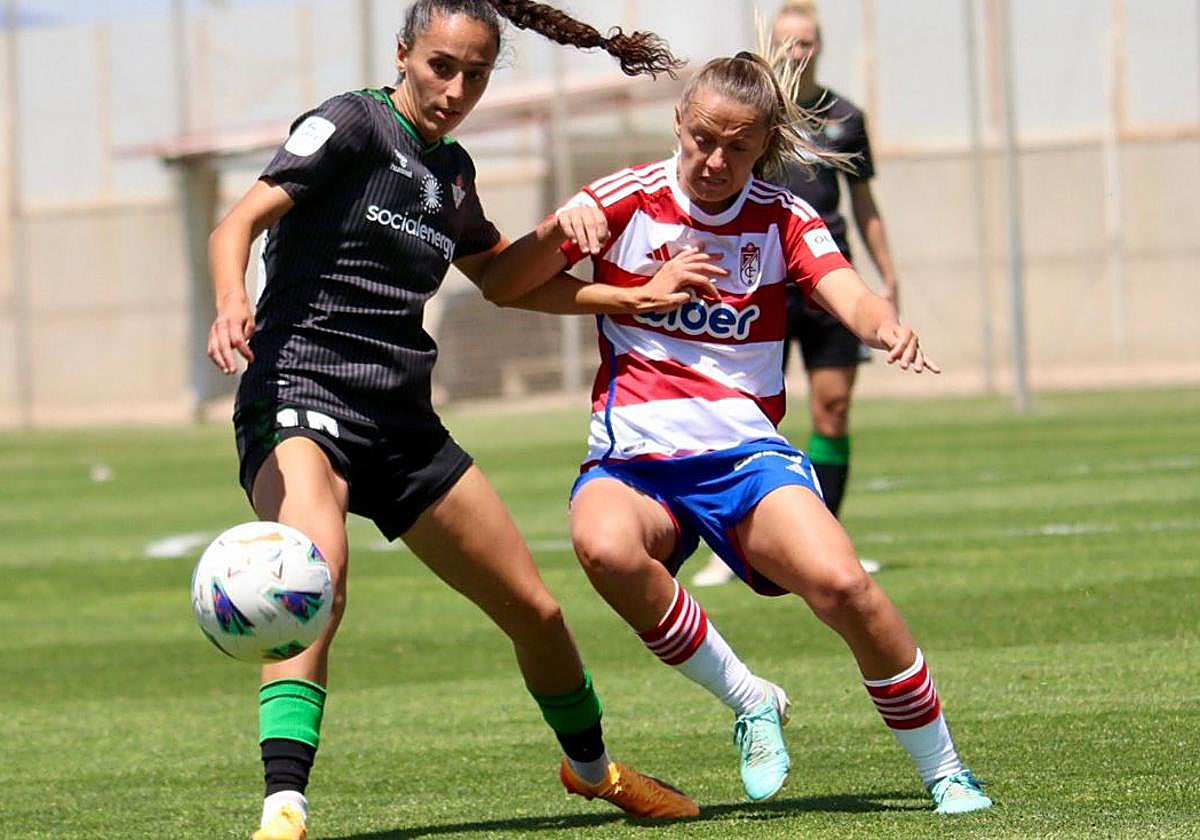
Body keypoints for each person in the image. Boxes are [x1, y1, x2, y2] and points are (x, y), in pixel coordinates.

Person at [205, 2, 700, 837]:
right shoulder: (352, 124)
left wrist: (625, 289)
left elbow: (504, 279)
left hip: (400, 419)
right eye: (442, 66)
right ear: (403, 54)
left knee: (536, 613)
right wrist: (229, 301)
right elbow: (238, 221)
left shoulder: (454, 173)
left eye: (474, 73)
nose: (456, 87)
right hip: (300, 391)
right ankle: (282, 810)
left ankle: (595, 771)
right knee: (313, 578)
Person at [479, 49, 993, 815]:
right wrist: (565, 234)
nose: (716, 159)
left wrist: (883, 326)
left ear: (764, 146)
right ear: (680, 122)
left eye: (739, 146)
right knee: (603, 545)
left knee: (845, 586)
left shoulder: (782, 216)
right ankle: (752, 700)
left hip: (745, 458)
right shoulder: (625, 199)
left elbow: (843, 287)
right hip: (633, 459)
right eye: (703, 139)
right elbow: (502, 285)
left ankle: (946, 770)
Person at [691, 0, 897, 587]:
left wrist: (888, 273)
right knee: (745, 415)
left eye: (805, 42)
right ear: (769, 47)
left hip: (829, 278)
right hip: (759, 284)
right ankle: (731, 547)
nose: (795, 52)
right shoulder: (750, 118)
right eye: (785, 41)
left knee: (832, 409)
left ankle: (824, 545)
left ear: (819, 47)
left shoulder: (845, 118)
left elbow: (863, 202)